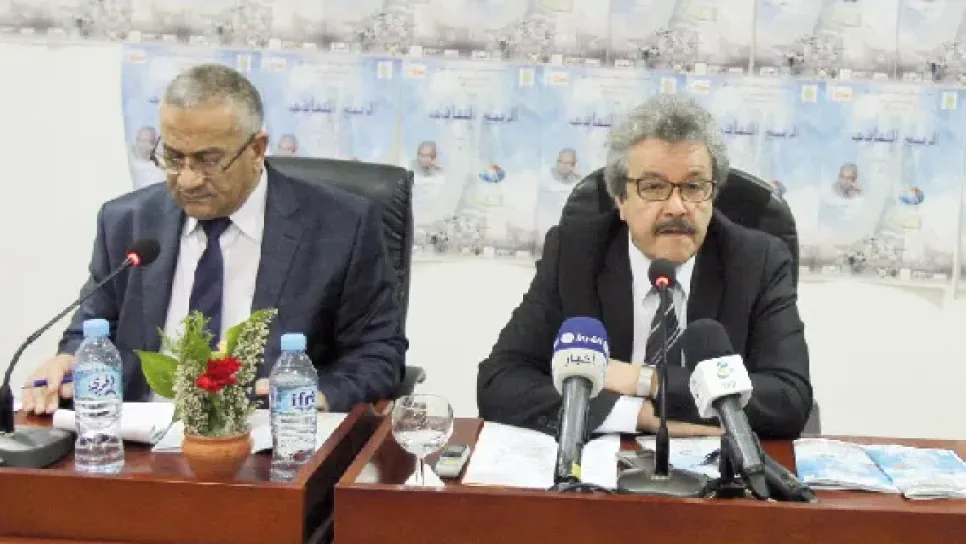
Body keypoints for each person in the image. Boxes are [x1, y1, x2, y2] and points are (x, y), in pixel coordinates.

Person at [23, 64, 406, 414]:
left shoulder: (340, 227)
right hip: (139, 444)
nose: (188, 179)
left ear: (256, 149)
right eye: (174, 157)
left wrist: (318, 395)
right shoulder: (127, 223)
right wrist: (68, 360)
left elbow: (377, 354)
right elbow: (91, 329)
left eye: (208, 160)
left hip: (271, 440)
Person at [477, 94, 812, 439]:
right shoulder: (574, 253)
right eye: (653, 187)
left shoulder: (758, 261)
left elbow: (788, 400)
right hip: (603, 461)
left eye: (694, 187)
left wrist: (646, 380)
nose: (677, 207)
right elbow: (500, 381)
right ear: (621, 200)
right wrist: (636, 414)